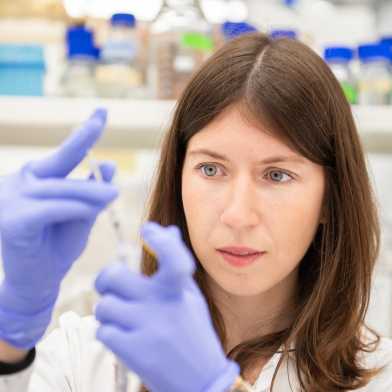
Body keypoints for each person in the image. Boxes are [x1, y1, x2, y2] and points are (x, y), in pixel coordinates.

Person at [0, 32, 391, 392]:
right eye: (211, 169)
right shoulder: (85, 356)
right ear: (178, 176)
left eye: (276, 175)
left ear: (329, 198)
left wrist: (215, 386)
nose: (238, 215)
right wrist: (9, 344)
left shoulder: (381, 375)